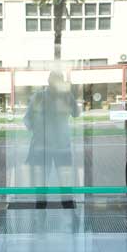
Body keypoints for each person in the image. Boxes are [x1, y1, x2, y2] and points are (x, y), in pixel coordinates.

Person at [24, 70, 79, 206]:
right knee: (45, 181)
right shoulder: (40, 96)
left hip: (56, 145)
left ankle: (62, 206)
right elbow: (28, 119)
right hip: (48, 145)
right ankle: (49, 206)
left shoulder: (65, 96)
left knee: (61, 180)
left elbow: (76, 113)